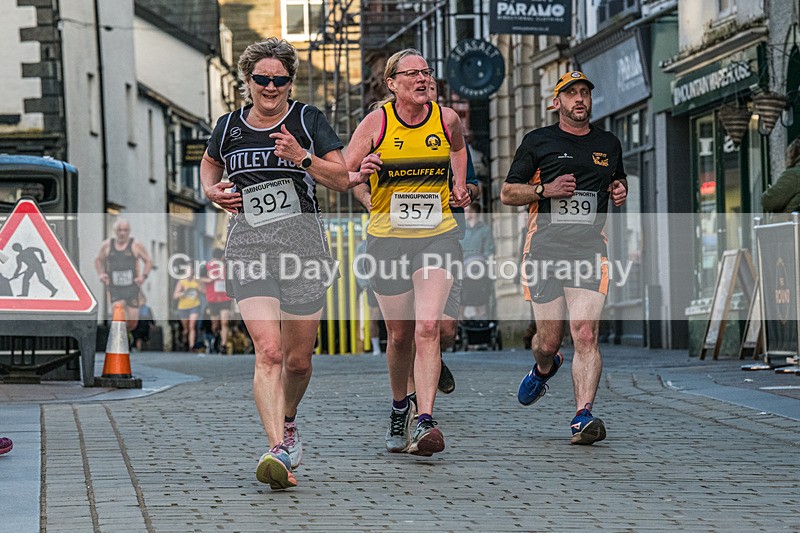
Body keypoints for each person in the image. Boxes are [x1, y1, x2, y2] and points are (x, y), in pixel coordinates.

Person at [200, 38, 367, 490]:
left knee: (297, 360)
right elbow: (210, 164)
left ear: (290, 83)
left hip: (303, 247)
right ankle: (277, 449)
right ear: (248, 82)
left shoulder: (308, 120)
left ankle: (288, 420)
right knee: (268, 351)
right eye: (262, 79)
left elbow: (342, 177)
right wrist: (210, 192)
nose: (270, 87)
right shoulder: (229, 126)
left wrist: (302, 157)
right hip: (248, 246)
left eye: (280, 80)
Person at [346, 49, 470, 457]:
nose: (422, 79)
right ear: (392, 83)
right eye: (412, 74)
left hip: (438, 235)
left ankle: (425, 420)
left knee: (429, 327)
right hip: (388, 240)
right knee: (400, 335)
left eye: (426, 72)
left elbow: (457, 148)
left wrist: (459, 183)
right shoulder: (376, 123)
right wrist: (360, 174)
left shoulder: (445, 118)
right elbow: (343, 171)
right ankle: (400, 405)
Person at [500, 71, 627, 445]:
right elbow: (508, 192)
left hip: (589, 248)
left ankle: (582, 416)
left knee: (585, 333)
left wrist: (619, 189)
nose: (579, 99)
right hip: (544, 249)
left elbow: (615, 180)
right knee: (549, 341)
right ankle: (544, 367)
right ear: (556, 102)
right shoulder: (538, 141)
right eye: (571, 93)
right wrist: (544, 189)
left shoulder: (608, 142)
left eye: (584, 92)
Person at [94, 219, 153, 331]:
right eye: (119, 230)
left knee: (132, 322)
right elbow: (98, 260)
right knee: (118, 311)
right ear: (115, 231)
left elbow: (148, 261)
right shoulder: (107, 245)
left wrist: (143, 276)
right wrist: (101, 274)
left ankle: (128, 336)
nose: (122, 233)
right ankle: (120, 341)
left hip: (132, 287)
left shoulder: (136, 245)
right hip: (115, 287)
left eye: (125, 230)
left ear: (129, 231)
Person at [460, 203, 495, 319]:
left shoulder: (485, 230)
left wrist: (490, 273)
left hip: (479, 273)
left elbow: (489, 253)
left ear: (473, 212)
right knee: (460, 306)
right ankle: (461, 333)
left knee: (481, 304)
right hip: (462, 274)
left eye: (466, 211)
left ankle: (481, 331)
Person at [201, 248, 233, 353]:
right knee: (215, 324)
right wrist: (209, 280)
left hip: (225, 298)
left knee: (225, 322)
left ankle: (223, 345)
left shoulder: (226, 266)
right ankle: (217, 336)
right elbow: (199, 278)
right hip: (212, 298)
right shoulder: (206, 266)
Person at [761, 137, 800, 214]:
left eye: (787, 155)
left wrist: (771, 190)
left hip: (791, 224)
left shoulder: (794, 174)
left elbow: (768, 201)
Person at [173, 264, 202, 351]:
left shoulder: (197, 281)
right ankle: (184, 337)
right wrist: (184, 292)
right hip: (183, 307)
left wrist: (199, 288)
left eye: (191, 271)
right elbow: (175, 295)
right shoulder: (182, 282)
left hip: (195, 305)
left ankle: (191, 346)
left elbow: (204, 291)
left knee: (192, 326)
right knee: (186, 329)